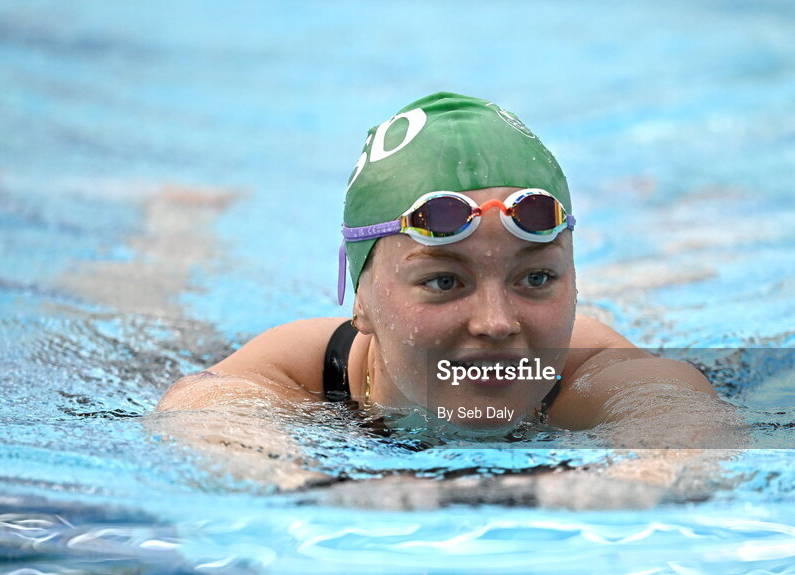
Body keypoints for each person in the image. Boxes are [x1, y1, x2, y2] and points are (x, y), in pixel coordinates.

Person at [155, 92, 735, 497]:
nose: (496, 323)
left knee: (666, 287)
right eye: (443, 281)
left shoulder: (595, 374)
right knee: (160, 312)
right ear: (361, 299)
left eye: (537, 278)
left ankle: (677, 235)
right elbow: (200, 417)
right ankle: (177, 231)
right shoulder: (298, 373)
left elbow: (681, 428)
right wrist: (307, 488)